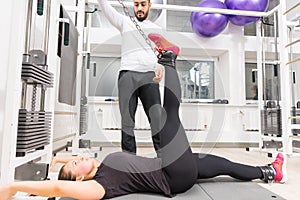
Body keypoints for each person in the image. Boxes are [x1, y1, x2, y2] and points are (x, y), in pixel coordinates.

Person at [0, 35, 287, 200]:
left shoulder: (100, 165)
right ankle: (168, 58)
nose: (79, 158)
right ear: (81, 179)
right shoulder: (100, 185)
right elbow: (59, 186)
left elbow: (63, 168)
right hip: (172, 177)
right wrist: (14, 186)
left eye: (75, 159)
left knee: (220, 164)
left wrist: (56, 160)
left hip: (171, 167)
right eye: (77, 164)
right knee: (169, 116)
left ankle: (269, 172)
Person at [97, 0, 177, 156]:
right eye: (136, 4)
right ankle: (129, 159)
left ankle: (163, 158)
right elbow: (106, 7)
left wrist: (160, 68)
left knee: (156, 119)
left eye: (143, 4)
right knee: (127, 121)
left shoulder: (157, 30)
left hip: (149, 76)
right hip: (128, 74)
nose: (139, 8)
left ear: (149, 6)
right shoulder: (125, 22)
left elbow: (160, 54)